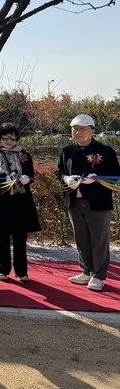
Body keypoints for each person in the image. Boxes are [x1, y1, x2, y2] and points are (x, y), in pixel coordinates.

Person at [56, 114, 120, 292]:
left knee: (99, 239)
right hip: (74, 200)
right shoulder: (67, 151)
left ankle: (98, 275)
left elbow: (116, 175)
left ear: (92, 130)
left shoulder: (105, 151)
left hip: (98, 201)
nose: (78, 132)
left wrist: (98, 178)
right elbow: (58, 172)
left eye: (83, 129)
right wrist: (66, 178)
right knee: (81, 237)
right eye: (75, 129)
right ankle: (86, 270)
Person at [0, 123, 41, 282]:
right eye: (5, 138)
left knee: (20, 236)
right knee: (1, 235)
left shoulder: (24, 154)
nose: (9, 141)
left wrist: (27, 179)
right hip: (0, 198)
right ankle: (1, 269)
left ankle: (21, 271)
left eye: (12, 138)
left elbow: (30, 174)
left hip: (21, 199)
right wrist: (3, 178)